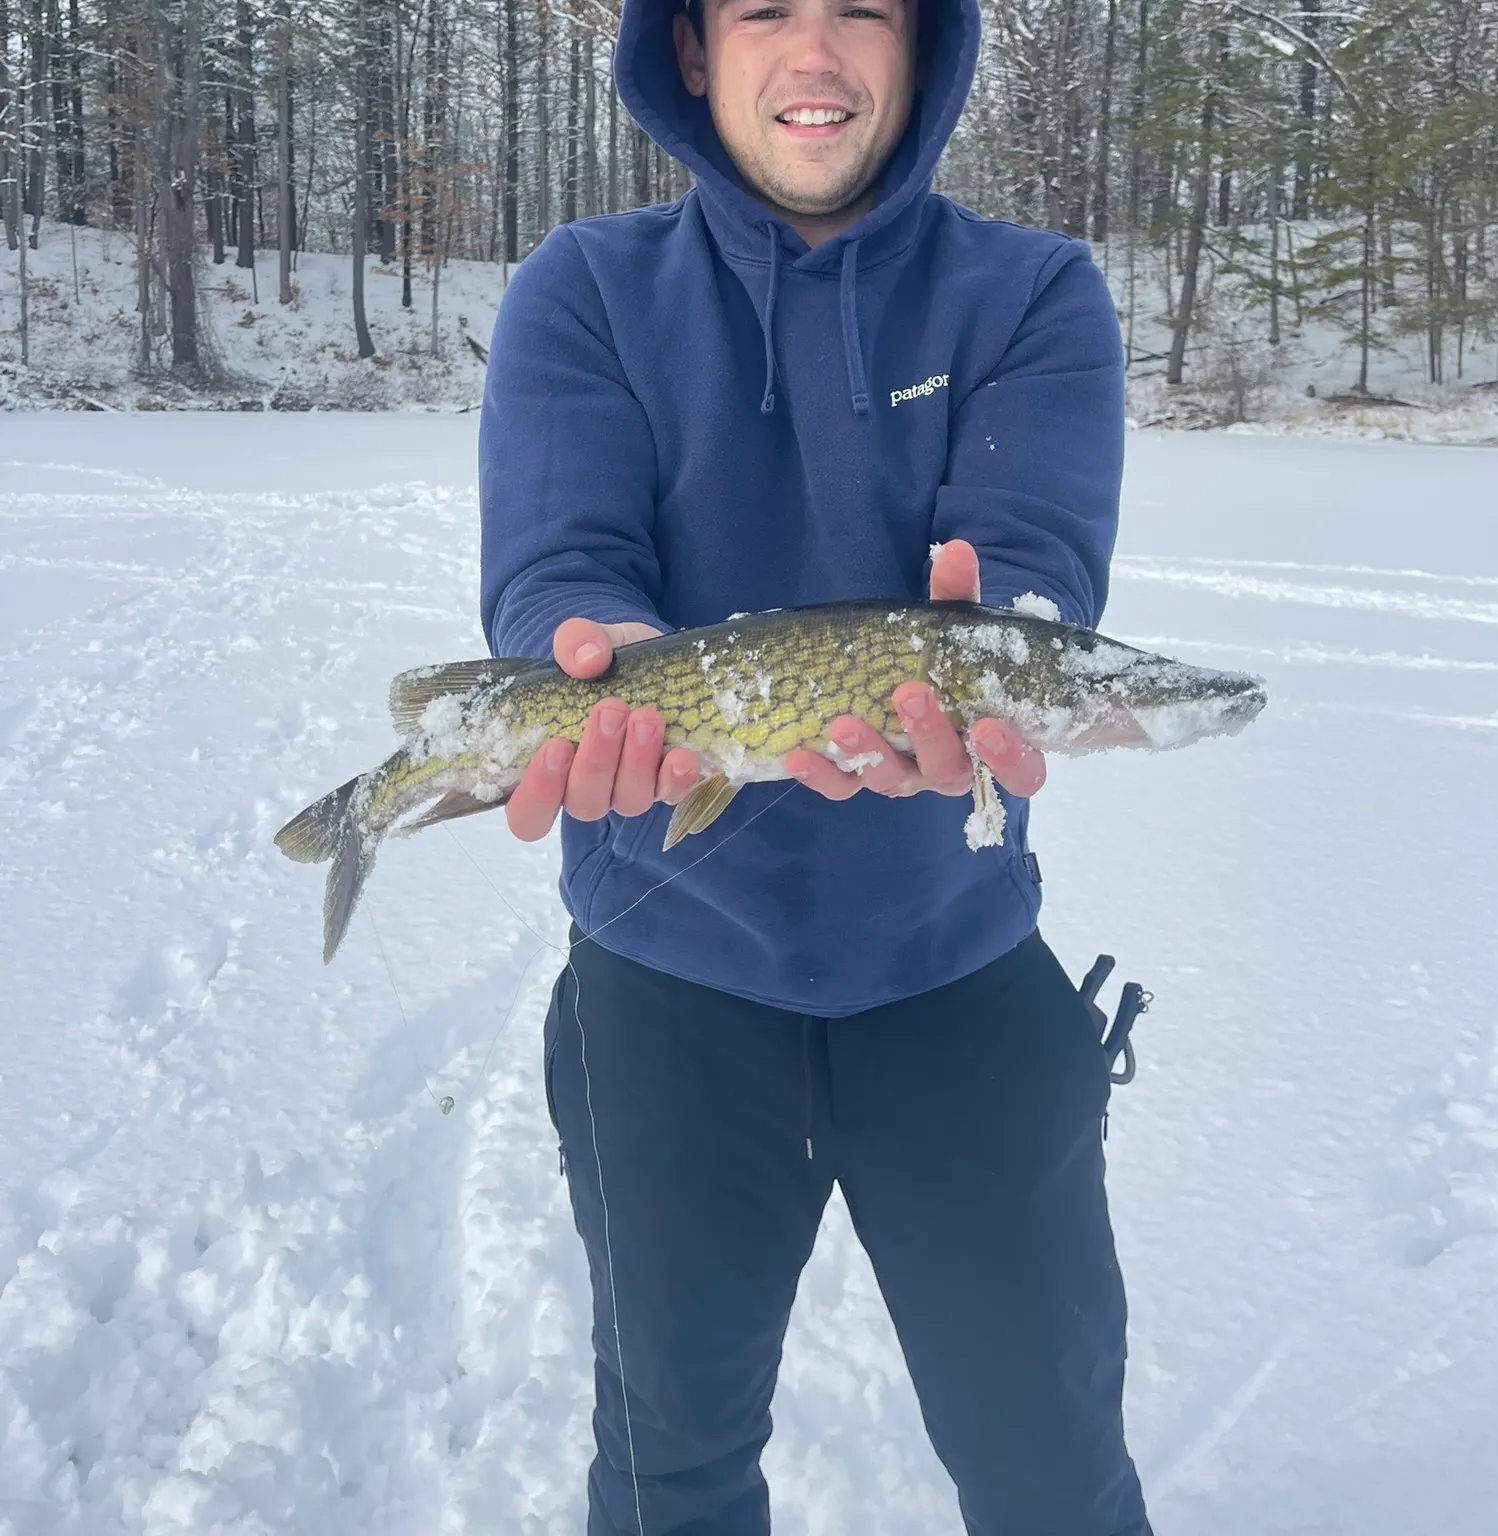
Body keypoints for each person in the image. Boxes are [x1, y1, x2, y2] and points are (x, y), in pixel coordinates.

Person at [478, 0, 1150, 1530]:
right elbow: (562, 558)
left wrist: (1013, 637)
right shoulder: (585, 290)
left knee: (1053, 1466)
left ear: (926, 49)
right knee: (672, 1468)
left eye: (864, 9)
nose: (818, 54)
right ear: (696, 52)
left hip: (957, 975)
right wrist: (595, 650)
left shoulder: (1033, 290)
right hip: (664, 987)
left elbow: (1035, 569)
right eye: (765, 9)